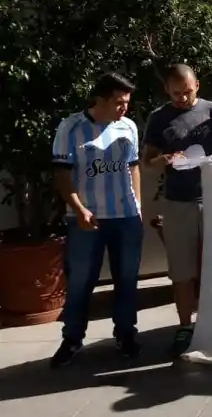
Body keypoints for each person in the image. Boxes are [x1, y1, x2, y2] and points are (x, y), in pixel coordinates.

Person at [142, 64, 212, 356]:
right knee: (182, 270)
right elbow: (147, 160)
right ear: (166, 90)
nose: (182, 98)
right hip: (178, 202)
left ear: (197, 85)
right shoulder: (159, 118)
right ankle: (185, 326)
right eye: (175, 94)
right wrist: (166, 159)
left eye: (186, 92)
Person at [50, 74, 144, 368]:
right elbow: (62, 173)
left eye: (127, 102)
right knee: (80, 281)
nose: (123, 108)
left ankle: (126, 334)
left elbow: (133, 167)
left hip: (125, 217)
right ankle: (73, 338)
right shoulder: (72, 127)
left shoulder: (128, 126)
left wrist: (138, 206)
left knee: (127, 279)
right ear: (99, 100)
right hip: (86, 219)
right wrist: (78, 208)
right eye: (118, 102)